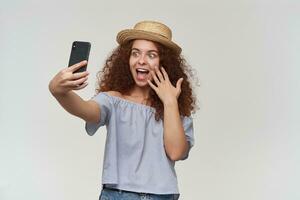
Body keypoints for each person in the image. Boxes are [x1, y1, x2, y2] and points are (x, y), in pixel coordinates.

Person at [49, 20, 197, 200]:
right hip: (118, 195)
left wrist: (170, 102)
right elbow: (85, 110)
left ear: (164, 62)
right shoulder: (113, 101)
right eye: (136, 53)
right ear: (127, 58)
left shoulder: (174, 109)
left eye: (151, 55)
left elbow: (176, 152)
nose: (141, 60)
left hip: (163, 196)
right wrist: (58, 91)